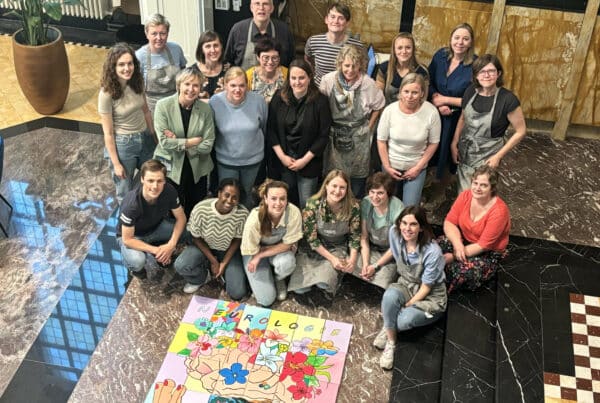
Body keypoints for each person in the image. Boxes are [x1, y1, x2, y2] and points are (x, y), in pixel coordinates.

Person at [372, 206, 447, 370]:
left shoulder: (432, 252)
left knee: (405, 320)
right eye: (404, 223)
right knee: (389, 297)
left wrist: (408, 304)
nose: (407, 228)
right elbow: (393, 250)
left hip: (430, 294)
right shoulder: (394, 233)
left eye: (413, 224)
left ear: (421, 228)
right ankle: (391, 341)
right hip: (406, 283)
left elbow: (426, 288)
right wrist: (375, 265)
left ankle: (389, 325)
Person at [451, 54, 527, 193]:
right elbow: (462, 118)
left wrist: (498, 156)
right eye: (482, 71)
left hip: (488, 155)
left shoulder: (508, 100)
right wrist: (454, 142)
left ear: (498, 73)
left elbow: (521, 131)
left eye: (491, 71)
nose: (486, 75)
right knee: (463, 191)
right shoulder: (470, 91)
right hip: (466, 150)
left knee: (480, 191)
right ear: (476, 75)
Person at [320, 44, 385, 198]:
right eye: (347, 65)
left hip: (358, 136)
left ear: (361, 65)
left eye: (354, 66)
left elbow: (379, 105)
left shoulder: (368, 83)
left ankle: (354, 207)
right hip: (334, 135)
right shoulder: (328, 80)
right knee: (334, 178)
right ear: (340, 64)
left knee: (357, 178)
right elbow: (320, 106)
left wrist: (369, 126)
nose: (350, 70)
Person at [268, 59, 332, 208]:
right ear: (288, 79)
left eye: (302, 78)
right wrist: (282, 157)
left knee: (306, 204)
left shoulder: (320, 101)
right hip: (284, 160)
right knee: (284, 203)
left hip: (309, 161)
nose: (297, 82)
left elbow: (323, 136)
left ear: (309, 78)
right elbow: (271, 129)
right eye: (293, 78)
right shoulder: (279, 97)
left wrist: (304, 160)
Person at [153, 68, 215, 217]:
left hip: (197, 166)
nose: (191, 89)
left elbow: (208, 144)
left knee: (195, 207)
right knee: (172, 206)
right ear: (179, 85)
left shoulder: (205, 109)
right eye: (187, 84)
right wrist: (191, 142)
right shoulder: (163, 106)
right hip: (171, 166)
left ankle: (191, 230)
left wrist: (178, 143)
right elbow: (164, 142)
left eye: (196, 85)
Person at [288, 169, 361, 296]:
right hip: (314, 247)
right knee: (300, 289)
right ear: (326, 185)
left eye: (342, 188)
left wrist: (353, 260)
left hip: (337, 246)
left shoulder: (353, 207)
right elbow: (312, 239)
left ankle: (330, 275)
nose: (337, 191)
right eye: (334, 186)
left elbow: (355, 236)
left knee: (324, 284)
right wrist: (332, 259)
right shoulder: (312, 204)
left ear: (347, 189)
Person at [99, 43, 156, 204]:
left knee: (152, 179)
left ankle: (144, 211)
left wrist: (153, 135)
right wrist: (116, 163)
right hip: (124, 144)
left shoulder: (137, 82)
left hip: (144, 137)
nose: (127, 68)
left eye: (130, 63)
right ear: (113, 67)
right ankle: (127, 218)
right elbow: (108, 133)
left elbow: (146, 111)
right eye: (121, 64)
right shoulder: (106, 94)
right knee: (125, 191)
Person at [439, 165, 510, 293]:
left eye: (483, 185)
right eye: (475, 183)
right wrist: (458, 244)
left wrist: (454, 256)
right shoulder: (465, 196)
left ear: (492, 188)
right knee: (433, 247)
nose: (477, 188)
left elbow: (483, 245)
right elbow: (449, 222)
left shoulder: (499, 211)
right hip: (465, 241)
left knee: (461, 272)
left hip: (487, 251)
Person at [174, 178, 249, 298]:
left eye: (235, 197)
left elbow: (237, 239)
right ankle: (201, 277)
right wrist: (213, 261)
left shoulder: (243, 214)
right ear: (219, 193)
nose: (229, 200)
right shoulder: (201, 209)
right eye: (226, 195)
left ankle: (223, 271)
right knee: (181, 265)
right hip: (203, 246)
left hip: (226, 249)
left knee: (237, 292)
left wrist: (223, 263)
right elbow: (196, 237)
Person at [377, 73, 441, 206]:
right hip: (391, 166)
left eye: (414, 93)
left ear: (422, 93)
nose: (410, 96)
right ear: (400, 91)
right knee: (388, 206)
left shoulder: (431, 112)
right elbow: (381, 140)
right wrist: (387, 166)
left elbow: (434, 143)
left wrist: (418, 168)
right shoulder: (390, 111)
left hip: (416, 168)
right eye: (406, 91)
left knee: (410, 208)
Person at [209, 67, 268, 208]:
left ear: (247, 85)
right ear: (225, 85)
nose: (238, 90)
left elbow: (264, 127)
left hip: (252, 161)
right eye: (233, 85)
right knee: (228, 198)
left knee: (246, 196)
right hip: (226, 161)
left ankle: (244, 221)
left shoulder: (259, 101)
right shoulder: (215, 102)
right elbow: (212, 131)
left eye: (242, 85)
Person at [118, 159, 187, 280]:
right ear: (142, 179)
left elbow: (181, 218)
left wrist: (171, 245)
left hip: (156, 227)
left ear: (164, 180)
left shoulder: (169, 191)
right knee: (137, 261)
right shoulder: (131, 204)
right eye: (150, 181)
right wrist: (158, 251)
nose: (155, 186)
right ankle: (134, 268)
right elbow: (127, 240)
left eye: (159, 181)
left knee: (188, 232)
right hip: (134, 236)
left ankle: (157, 243)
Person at [241, 180, 303, 306]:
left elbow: (288, 244)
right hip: (254, 253)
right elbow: (252, 249)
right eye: (273, 198)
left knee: (287, 262)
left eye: (282, 199)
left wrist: (262, 254)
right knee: (266, 300)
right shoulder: (255, 218)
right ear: (265, 199)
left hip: (271, 253)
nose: (278, 203)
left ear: (287, 199)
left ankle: (278, 278)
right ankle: (264, 276)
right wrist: (258, 255)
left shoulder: (293, 212)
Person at [428, 22, 476, 181]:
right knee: (428, 150)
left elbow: (475, 99)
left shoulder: (475, 65)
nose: (460, 42)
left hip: (457, 119)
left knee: (448, 156)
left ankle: (441, 185)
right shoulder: (440, 56)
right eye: (457, 37)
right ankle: (426, 182)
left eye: (465, 39)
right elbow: (427, 80)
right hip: (433, 112)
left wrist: (445, 100)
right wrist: (436, 98)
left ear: (471, 42)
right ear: (450, 39)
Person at [354, 172, 404, 289]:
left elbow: (396, 246)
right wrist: (366, 263)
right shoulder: (366, 202)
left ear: (388, 193)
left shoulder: (397, 208)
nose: (375, 197)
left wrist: (376, 266)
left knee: (382, 282)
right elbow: (364, 237)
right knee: (354, 268)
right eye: (372, 192)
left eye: (380, 193)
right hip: (372, 248)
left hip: (391, 253)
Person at [135, 13, 187, 114]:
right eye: (154, 33)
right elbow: (136, 87)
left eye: (162, 33)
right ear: (147, 34)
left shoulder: (176, 49)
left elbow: (184, 74)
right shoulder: (139, 56)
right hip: (152, 108)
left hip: (176, 103)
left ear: (168, 33)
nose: (159, 38)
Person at [224, 0, 295, 70]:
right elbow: (228, 62)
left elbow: (292, 62)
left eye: (265, 4)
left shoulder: (284, 30)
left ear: (272, 8)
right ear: (251, 7)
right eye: (257, 3)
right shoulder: (238, 29)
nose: (261, 8)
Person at [304, 2, 363, 86]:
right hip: (319, 89)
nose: (336, 21)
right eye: (332, 17)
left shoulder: (357, 46)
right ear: (326, 19)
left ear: (347, 23)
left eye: (341, 18)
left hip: (345, 90)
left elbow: (361, 69)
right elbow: (307, 59)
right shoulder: (313, 41)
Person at [376, 32, 429, 106]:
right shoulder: (384, 68)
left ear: (413, 49)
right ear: (394, 50)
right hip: (387, 110)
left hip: (412, 111)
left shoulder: (422, 72)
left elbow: (422, 101)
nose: (404, 51)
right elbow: (378, 98)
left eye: (408, 47)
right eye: (400, 48)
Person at [246, 36, 288, 103]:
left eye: (274, 58)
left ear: (279, 58)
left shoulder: (287, 74)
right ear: (258, 57)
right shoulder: (248, 76)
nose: (270, 62)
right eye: (266, 58)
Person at [190, 30, 230, 100]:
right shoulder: (191, 72)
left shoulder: (230, 70)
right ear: (201, 49)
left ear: (221, 47)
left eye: (216, 45)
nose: (213, 50)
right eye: (208, 46)